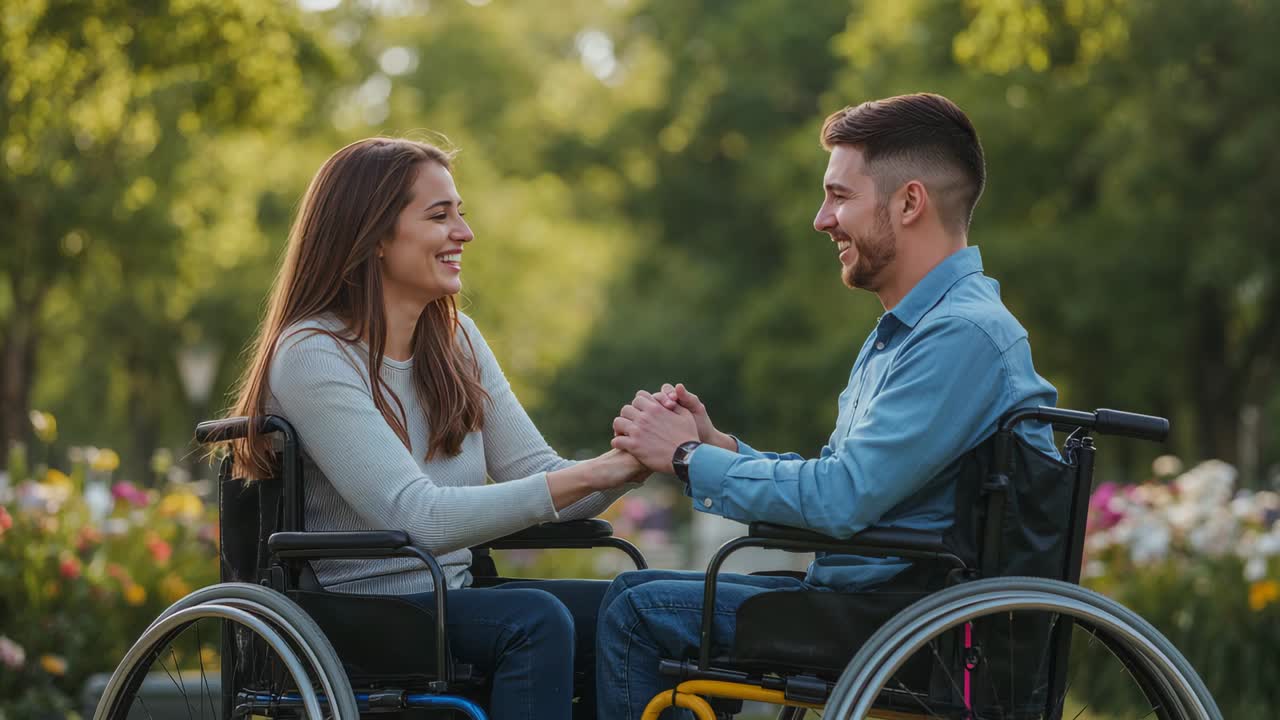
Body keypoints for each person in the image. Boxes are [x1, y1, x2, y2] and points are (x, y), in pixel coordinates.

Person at [598, 92, 1061, 719]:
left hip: (911, 621)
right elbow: (847, 485)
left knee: (636, 613)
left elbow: (842, 498)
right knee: (636, 590)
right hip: (874, 598)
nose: (822, 219)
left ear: (909, 202)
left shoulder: (963, 336)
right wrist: (717, 448)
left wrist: (683, 459)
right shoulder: (908, 331)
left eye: (839, 196)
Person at [226, 137, 647, 720]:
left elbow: (545, 479)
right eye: (439, 215)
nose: (464, 233)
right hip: (356, 615)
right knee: (534, 620)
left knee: (642, 611)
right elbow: (414, 517)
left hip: (454, 598)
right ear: (373, 236)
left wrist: (641, 457)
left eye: (461, 213)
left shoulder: (456, 341)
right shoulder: (311, 354)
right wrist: (601, 470)